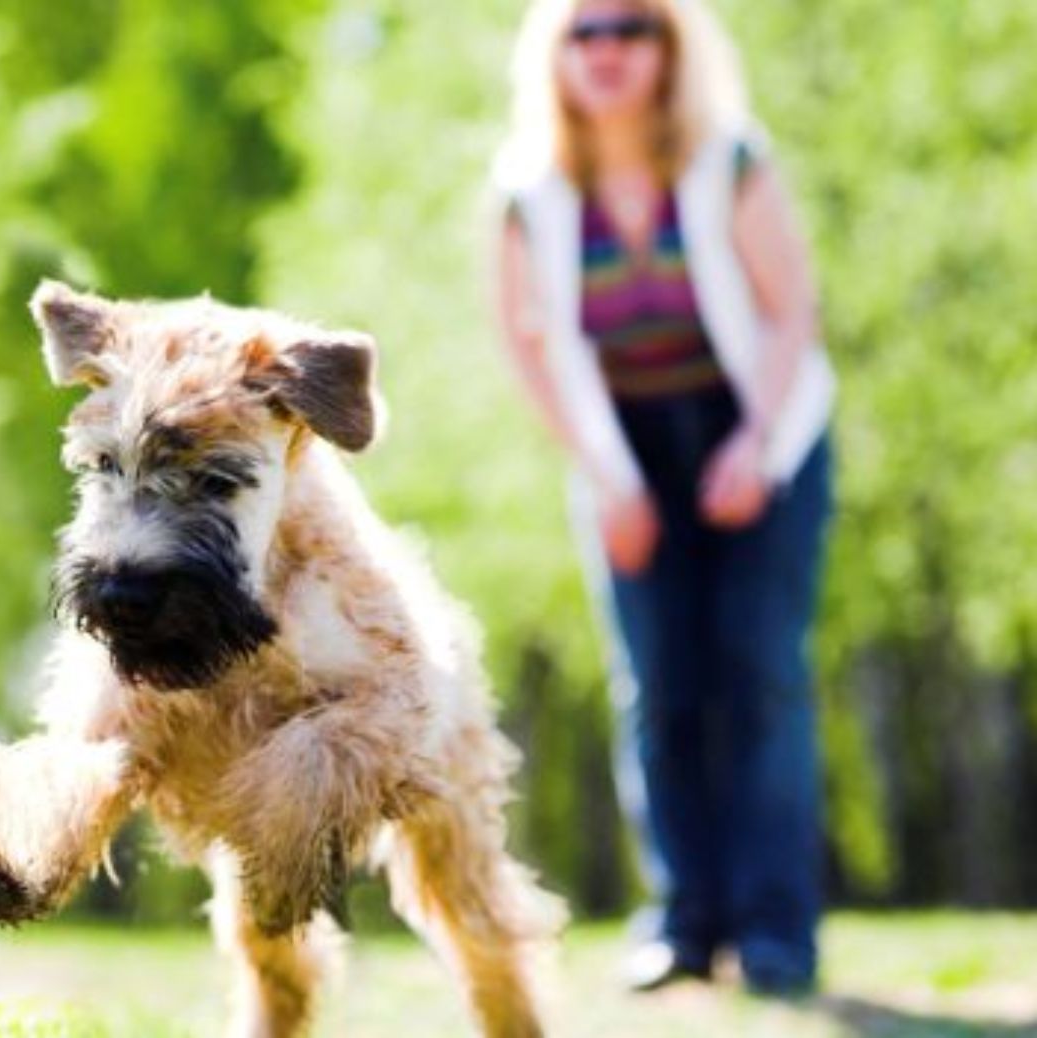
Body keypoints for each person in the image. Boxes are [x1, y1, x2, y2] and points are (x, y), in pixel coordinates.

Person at [488, 0, 836, 996]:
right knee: (657, 684)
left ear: (669, 48)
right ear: (554, 53)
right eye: (583, 31)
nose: (606, 49)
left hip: (760, 429)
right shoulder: (527, 189)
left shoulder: (729, 158)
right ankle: (682, 922)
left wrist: (755, 447)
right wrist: (607, 480)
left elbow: (789, 313)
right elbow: (531, 347)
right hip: (623, 452)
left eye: (630, 27)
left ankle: (775, 934)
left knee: (758, 677)